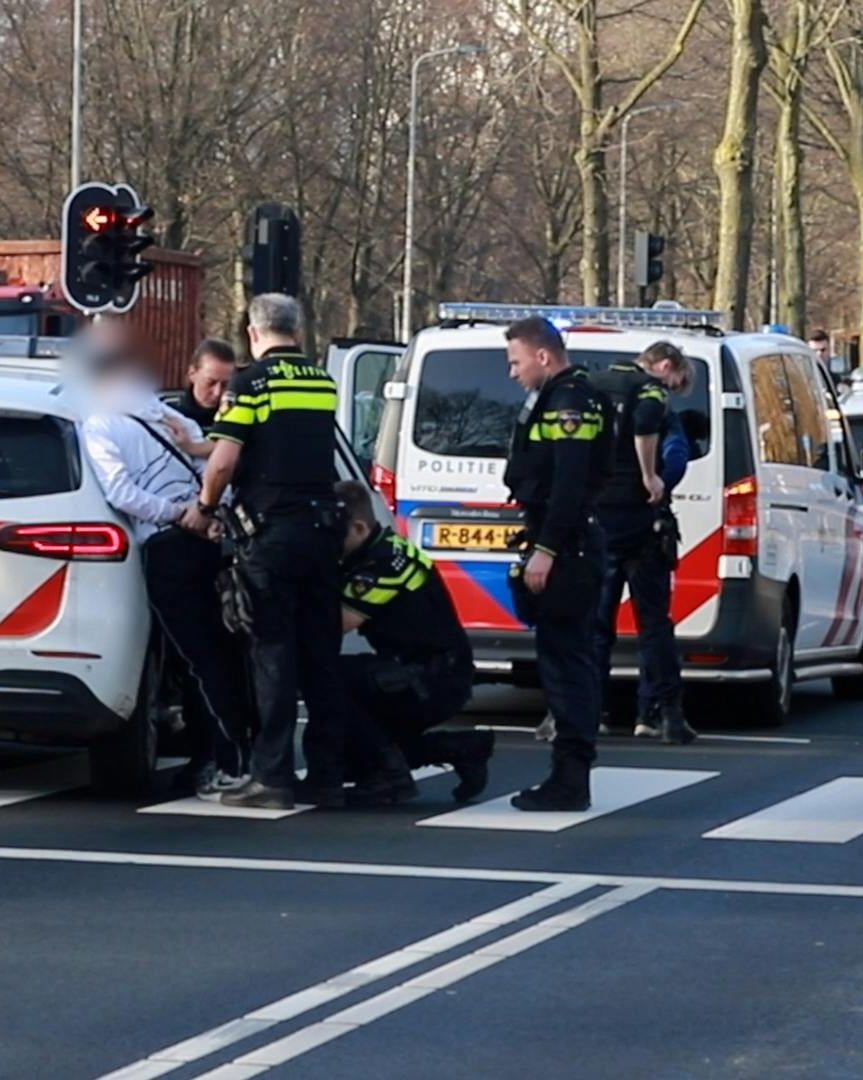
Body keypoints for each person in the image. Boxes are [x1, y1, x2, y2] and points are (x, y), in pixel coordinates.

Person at [195, 294, 406, 811]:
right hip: (322, 531)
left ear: (252, 332)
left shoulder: (251, 384)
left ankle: (271, 776)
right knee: (319, 655)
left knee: (272, 656)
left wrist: (204, 506)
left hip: (273, 533)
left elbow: (225, 461)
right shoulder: (320, 383)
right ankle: (327, 774)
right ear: (299, 330)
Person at [78, 325, 253, 793]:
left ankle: (226, 760)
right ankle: (235, 751)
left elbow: (119, 492)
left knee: (197, 660)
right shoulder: (171, 420)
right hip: (206, 544)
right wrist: (206, 513)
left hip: (166, 546)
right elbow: (216, 473)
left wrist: (178, 514)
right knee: (219, 655)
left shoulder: (100, 423)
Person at [502, 316, 609, 812]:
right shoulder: (560, 395)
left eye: (516, 362)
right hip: (565, 543)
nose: (513, 373)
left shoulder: (569, 402)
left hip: (569, 550)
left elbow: (568, 484)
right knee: (563, 659)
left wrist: (546, 549)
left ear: (543, 356)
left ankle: (570, 780)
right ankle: (568, 776)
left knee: (568, 665)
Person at [331, 480, 495, 804]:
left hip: (432, 678)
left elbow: (337, 624)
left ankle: (391, 777)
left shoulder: (382, 565)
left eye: (334, 536)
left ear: (360, 527)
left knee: (328, 680)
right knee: (346, 762)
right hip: (424, 670)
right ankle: (459, 748)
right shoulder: (378, 547)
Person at [588, 341, 695, 745]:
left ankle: (591, 711)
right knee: (653, 626)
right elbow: (676, 454)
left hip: (596, 522)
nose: (673, 390)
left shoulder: (590, 386)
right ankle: (661, 715)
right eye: (676, 381)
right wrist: (656, 481)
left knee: (595, 625)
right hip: (641, 522)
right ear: (664, 365)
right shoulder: (652, 396)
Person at [169, 337, 241, 431]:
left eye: (225, 385)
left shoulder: (239, 417)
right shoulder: (170, 415)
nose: (217, 393)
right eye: (210, 383)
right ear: (192, 373)